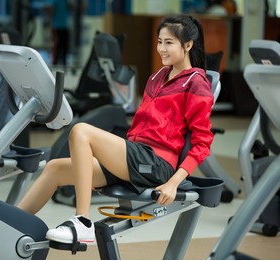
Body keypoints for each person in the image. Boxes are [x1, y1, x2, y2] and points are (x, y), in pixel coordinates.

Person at [17, 14, 214, 244]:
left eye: (169, 42)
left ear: (188, 45)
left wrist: (173, 183)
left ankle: (82, 221)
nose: (161, 48)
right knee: (55, 168)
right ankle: (12, 224)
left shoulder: (196, 82)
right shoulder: (158, 77)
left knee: (81, 131)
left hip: (157, 164)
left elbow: (202, 142)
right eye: (159, 41)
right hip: (136, 157)